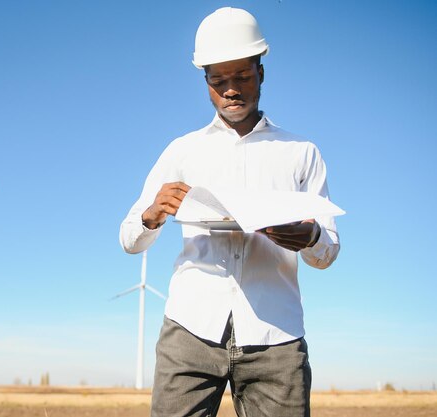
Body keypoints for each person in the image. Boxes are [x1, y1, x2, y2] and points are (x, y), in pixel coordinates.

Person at [119, 7, 340, 417]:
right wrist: (153, 214)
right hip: (189, 329)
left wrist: (310, 237)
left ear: (261, 72)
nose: (231, 90)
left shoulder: (301, 153)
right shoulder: (181, 151)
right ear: (205, 82)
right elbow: (130, 238)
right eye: (218, 81)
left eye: (242, 77)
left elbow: (326, 251)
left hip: (276, 337)